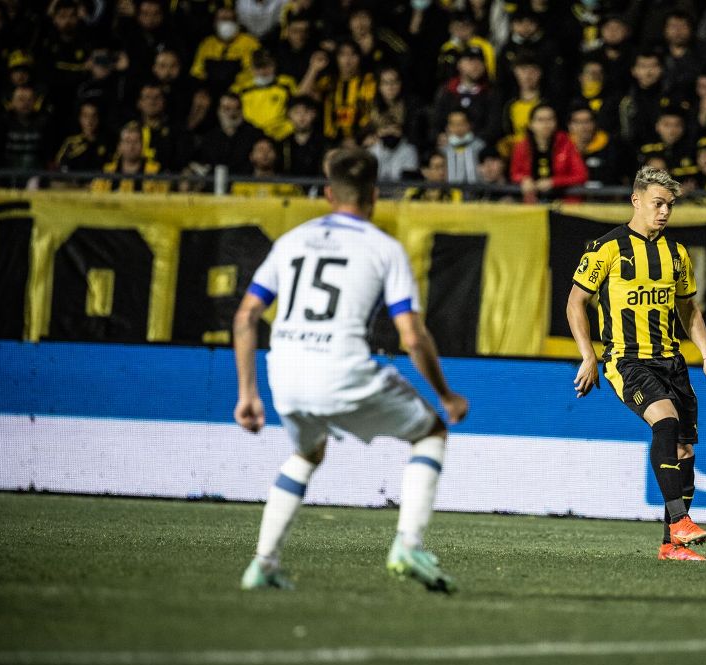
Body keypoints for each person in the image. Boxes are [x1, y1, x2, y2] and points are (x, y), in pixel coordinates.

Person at [234, 148, 469, 593]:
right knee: (431, 431)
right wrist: (446, 395)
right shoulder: (384, 248)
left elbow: (246, 317)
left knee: (307, 453)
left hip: (283, 372)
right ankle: (408, 543)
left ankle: (262, 563)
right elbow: (413, 337)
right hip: (341, 369)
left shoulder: (291, 241)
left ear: (327, 193)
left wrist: (247, 393)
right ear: (374, 196)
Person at [566, 165, 706, 562]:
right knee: (665, 422)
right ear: (636, 200)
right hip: (627, 360)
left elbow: (689, 309)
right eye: (658, 203)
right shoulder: (607, 249)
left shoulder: (676, 254)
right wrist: (589, 354)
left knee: (685, 450)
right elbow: (574, 302)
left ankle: (672, 546)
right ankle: (680, 523)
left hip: (672, 362)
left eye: (669, 205)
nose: (665, 212)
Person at [510, 103, 587, 201]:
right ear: (531, 124)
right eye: (540, 120)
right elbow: (514, 174)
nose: (546, 124)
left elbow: (581, 176)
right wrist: (523, 179)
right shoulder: (522, 146)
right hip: (531, 203)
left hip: (563, 202)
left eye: (550, 119)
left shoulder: (567, 144)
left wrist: (553, 182)